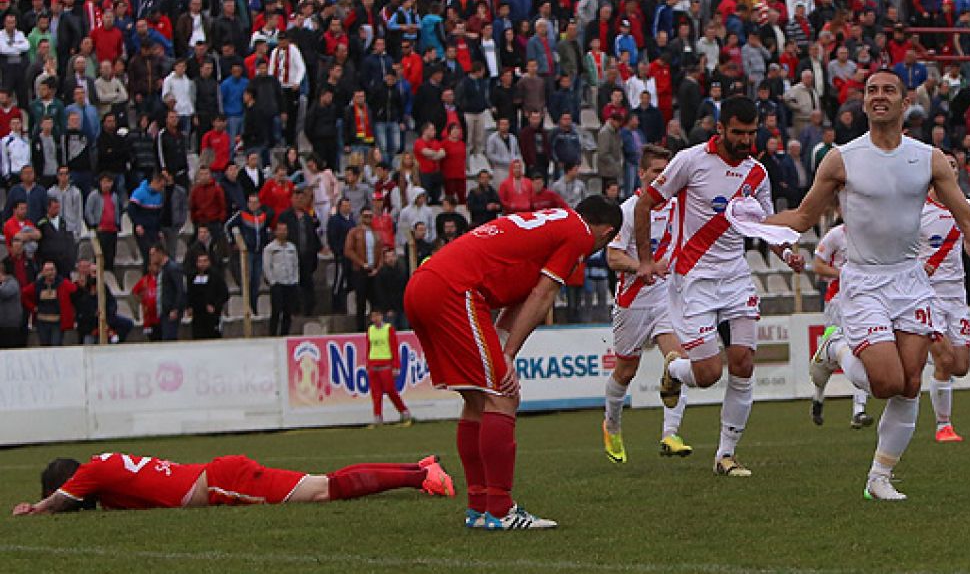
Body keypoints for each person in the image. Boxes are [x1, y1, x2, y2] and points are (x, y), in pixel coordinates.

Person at [765, 71, 970, 501]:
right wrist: (746, 222)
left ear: (905, 103)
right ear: (863, 103)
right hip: (864, 282)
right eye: (872, 91)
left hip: (911, 281)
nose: (879, 96)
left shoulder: (928, 158)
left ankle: (879, 478)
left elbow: (966, 215)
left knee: (909, 383)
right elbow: (801, 218)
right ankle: (834, 349)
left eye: (888, 90)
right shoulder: (841, 159)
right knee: (884, 382)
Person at [402, 195, 621, 530]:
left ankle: (479, 507)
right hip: (454, 289)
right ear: (606, 234)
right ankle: (501, 510)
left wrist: (505, 351)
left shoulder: (555, 222)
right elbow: (542, 295)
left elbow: (521, 296)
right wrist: (506, 357)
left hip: (423, 284)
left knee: (478, 399)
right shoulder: (578, 234)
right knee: (503, 396)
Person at [638, 96, 804, 478]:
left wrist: (786, 252)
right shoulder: (690, 161)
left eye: (752, 132)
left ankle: (726, 454)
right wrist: (647, 260)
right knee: (709, 372)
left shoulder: (757, 173)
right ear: (721, 129)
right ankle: (675, 369)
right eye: (738, 133)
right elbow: (647, 204)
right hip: (693, 278)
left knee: (744, 363)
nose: (746, 140)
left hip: (735, 276)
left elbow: (764, 226)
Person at [601, 144, 691, 464]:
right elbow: (612, 256)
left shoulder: (676, 206)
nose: (661, 178)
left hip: (665, 297)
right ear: (641, 174)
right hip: (632, 300)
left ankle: (671, 433)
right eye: (655, 172)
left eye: (665, 173)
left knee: (677, 358)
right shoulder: (628, 210)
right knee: (626, 371)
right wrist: (641, 265)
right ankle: (611, 425)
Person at [13, 450, 453, 514]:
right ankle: (420, 468)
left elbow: (61, 500)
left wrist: (37, 509)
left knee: (325, 488)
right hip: (218, 476)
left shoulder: (90, 472)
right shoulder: (105, 469)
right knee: (325, 485)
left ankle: (422, 477)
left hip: (223, 480)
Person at [919, 153, 970, 444]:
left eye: (955, 166)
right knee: (944, 359)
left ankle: (933, 375)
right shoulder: (917, 208)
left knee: (961, 366)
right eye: (947, 165)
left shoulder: (965, 206)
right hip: (928, 294)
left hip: (957, 293)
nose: (951, 170)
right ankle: (944, 426)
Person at [807, 223, 872, 429]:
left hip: (865, 301)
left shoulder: (872, 233)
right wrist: (844, 274)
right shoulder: (836, 235)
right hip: (837, 301)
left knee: (862, 350)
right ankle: (818, 397)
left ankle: (859, 411)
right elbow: (818, 265)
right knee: (829, 357)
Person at [366, 308, 412, 425]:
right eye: (373, 316)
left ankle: (403, 411)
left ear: (382, 316)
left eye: (377, 316)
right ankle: (377, 416)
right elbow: (368, 348)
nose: (375, 319)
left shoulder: (388, 329)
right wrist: (368, 364)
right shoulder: (370, 330)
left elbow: (394, 347)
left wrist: (396, 366)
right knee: (376, 393)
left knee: (390, 390)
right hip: (373, 364)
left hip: (385, 364)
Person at [262, 221, 299, 337]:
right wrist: (272, 281)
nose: (282, 232)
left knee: (288, 312)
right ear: (276, 232)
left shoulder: (292, 247)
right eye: (280, 230)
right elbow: (267, 266)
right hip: (277, 283)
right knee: (276, 312)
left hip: (290, 283)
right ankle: (272, 334)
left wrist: (295, 280)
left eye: (284, 230)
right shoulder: (270, 248)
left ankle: (285, 334)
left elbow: (295, 264)